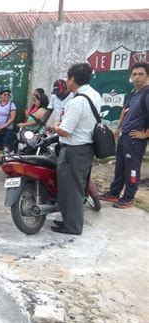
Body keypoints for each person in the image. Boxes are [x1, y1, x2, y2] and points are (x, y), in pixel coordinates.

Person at [52, 63, 102, 235]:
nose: (67, 82)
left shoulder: (77, 101)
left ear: (73, 79)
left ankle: (72, 226)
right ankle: (69, 221)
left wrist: (56, 125)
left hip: (74, 149)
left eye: (68, 78)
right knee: (76, 187)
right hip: (87, 148)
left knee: (70, 189)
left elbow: (65, 131)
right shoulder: (95, 95)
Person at [99, 62, 149, 208]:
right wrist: (118, 128)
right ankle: (114, 193)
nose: (137, 77)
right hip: (125, 136)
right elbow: (124, 110)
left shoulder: (147, 93)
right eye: (134, 74)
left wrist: (145, 134)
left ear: (147, 76)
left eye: (141, 74)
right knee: (119, 166)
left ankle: (129, 198)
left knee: (132, 168)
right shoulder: (135, 92)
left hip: (135, 139)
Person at [0, 87, 16, 168]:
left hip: (7, 128)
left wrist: (4, 126)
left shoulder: (11, 104)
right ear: (0, 95)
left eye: (8, 95)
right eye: (5, 94)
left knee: (6, 145)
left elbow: (12, 118)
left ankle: (7, 162)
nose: (6, 96)